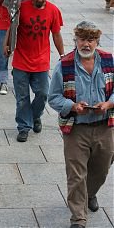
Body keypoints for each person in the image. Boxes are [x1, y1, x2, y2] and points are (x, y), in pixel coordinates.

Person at [48, 21, 114, 228]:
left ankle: (90, 193)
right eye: (83, 39)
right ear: (75, 40)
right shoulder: (64, 64)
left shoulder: (108, 60)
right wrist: (73, 106)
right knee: (76, 174)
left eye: (91, 40)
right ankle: (78, 218)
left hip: (105, 126)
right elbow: (53, 98)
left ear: (97, 42)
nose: (87, 44)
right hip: (76, 128)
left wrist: (109, 103)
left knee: (101, 170)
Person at [4, 0, 64, 142]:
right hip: (21, 60)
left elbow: (57, 34)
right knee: (22, 98)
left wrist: (63, 55)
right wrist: (6, 44)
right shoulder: (21, 7)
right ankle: (23, 127)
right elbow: (12, 27)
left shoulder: (53, 10)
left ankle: (35, 116)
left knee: (43, 94)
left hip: (41, 61)